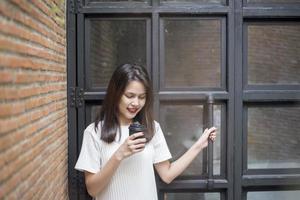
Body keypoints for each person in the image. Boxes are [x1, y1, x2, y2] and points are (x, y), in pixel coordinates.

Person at [75, 64, 217, 200]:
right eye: (130, 96)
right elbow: (92, 189)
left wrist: (199, 144)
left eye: (142, 97)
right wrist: (119, 155)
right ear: (116, 94)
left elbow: (167, 174)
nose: (136, 103)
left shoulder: (152, 128)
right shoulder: (94, 132)